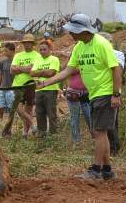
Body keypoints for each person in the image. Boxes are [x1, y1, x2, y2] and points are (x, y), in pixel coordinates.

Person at [37, 13, 121, 180]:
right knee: (100, 132)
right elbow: (68, 70)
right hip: (94, 94)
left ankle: (96, 170)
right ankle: (107, 171)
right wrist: (47, 82)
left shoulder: (102, 44)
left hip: (106, 92)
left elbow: (116, 68)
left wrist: (116, 94)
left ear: (83, 30)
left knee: (99, 132)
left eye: (73, 31)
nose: (71, 34)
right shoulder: (79, 47)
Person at [3, 35, 41, 136]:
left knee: (28, 109)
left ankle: (25, 133)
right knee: (17, 108)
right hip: (17, 85)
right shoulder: (18, 55)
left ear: (32, 44)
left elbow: (33, 69)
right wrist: (26, 68)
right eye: (25, 42)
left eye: (29, 42)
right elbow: (12, 70)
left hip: (30, 85)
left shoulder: (37, 55)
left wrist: (19, 68)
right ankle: (32, 124)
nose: (27, 44)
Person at [30, 40, 60, 136]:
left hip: (51, 89)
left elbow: (51, 73)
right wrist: (44, 71)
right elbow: (32, 73)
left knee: (51, 113)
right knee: (39, 113)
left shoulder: (54, 59)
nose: (42, 51)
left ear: (49, 49)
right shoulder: (38, 60)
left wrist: (39, 72)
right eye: (41, 50)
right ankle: (41, 133)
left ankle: (53, 134)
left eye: (44, 49)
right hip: (38, 90)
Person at [64, 68, 92, 144]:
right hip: (73, 92)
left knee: (89, 115)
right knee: (75, 116)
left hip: (87, 91)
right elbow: (64, 70)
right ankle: (76, 140)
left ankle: (96, 137)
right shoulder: (70, 59)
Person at [0, 43, 16, 125]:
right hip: (2, 88)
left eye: (6, 51)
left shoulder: (16, 61)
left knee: (11, 110)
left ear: (13, 51)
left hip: (12, 89)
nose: (5, 52)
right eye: (4, 50)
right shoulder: (3, 62)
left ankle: (8, 129)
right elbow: (1, 75)